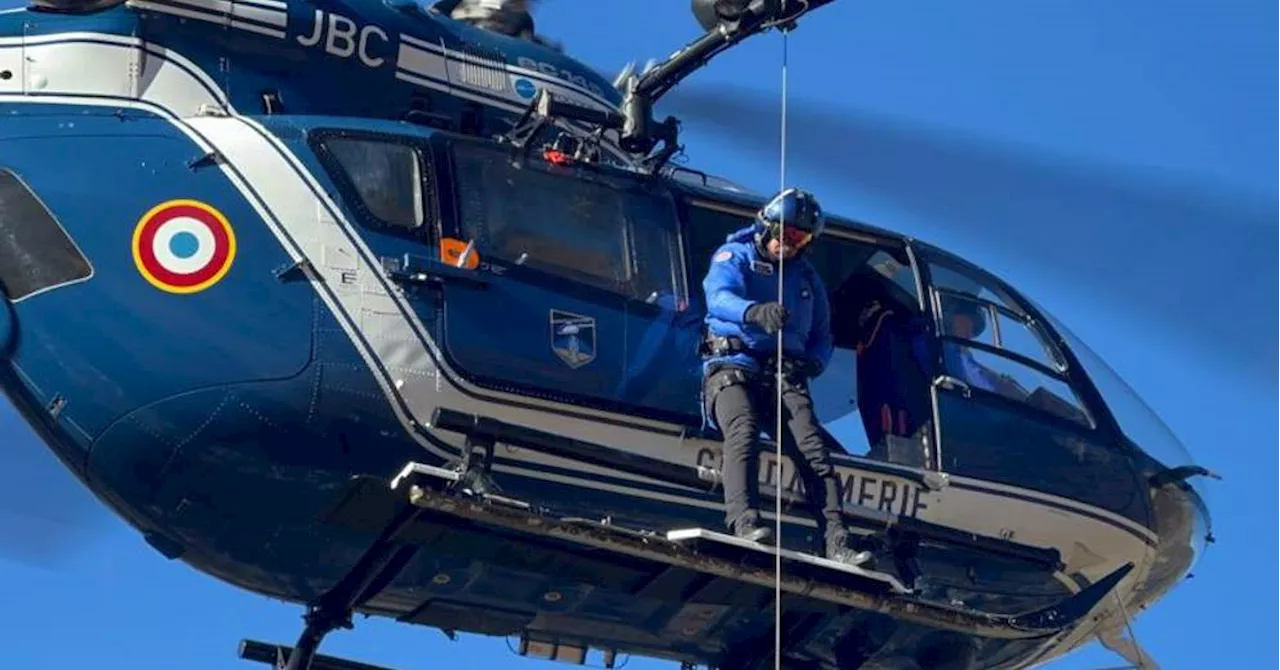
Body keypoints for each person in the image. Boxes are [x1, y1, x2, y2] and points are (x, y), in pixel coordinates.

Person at [699, 187, 869, 566]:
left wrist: (816, 362)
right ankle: (744, 522)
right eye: (786, 234)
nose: (789, 245)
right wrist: (753, 312)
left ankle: (837, 541)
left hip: (785, 374)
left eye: (800, 239)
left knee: (814, 454)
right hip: (734, 365)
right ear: (766, 225)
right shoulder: (735, 255)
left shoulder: (807, 281)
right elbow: (718, 297)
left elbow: (823, 335)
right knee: (742, 430)